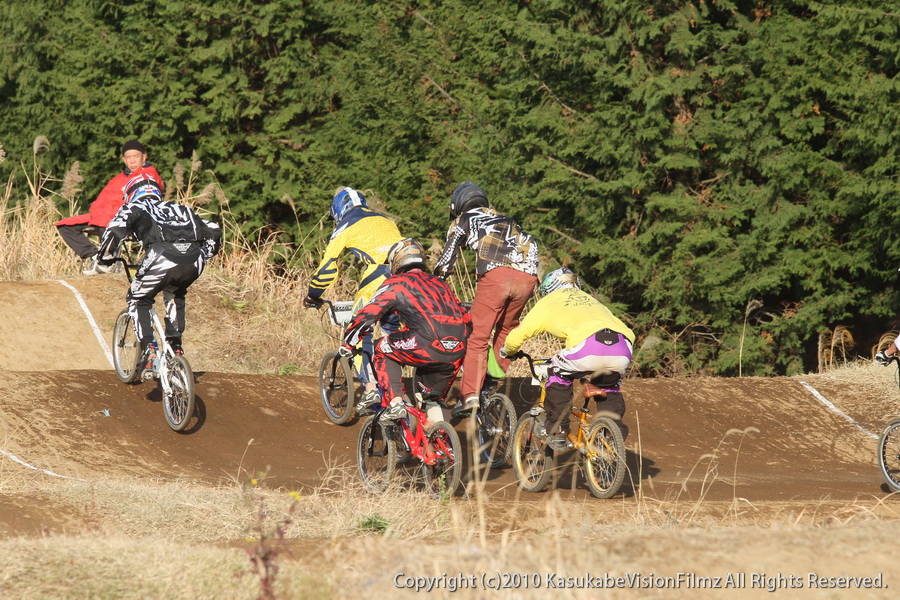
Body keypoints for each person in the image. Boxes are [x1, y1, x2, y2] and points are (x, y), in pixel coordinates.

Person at [96, 174, 221, 375]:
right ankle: (175, 347)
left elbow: (115, 230)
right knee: (176, 292)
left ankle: (149, 349)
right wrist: (205, 254)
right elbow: (214, 229)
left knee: (139, 298)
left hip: (162, 255)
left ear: (130, 193)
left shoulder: (133, 207)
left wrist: (104, 258)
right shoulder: (181, 208)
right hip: (193, 259)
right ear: (158, 192)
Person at [433, 181, 539, 416]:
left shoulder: (463, 219)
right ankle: (492, 379)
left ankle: (470, 395)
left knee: (478, 335)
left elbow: (448, 257)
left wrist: (436, 280)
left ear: (459, 204)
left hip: (496, 276)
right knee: (507, 328)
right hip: (528, 276)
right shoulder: (507, 218)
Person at [500, 267, 634, 449]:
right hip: (621, 347)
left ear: (548, 288)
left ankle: (558, 430)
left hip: (588, 346)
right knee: (608, 387)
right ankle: (612, 433)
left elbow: (519, 334)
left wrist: (508, 350)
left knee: (556, 374)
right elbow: (628, 333)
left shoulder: (548, 302)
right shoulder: (591, 300)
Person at [342, 238, 472, 424]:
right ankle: (441, 447)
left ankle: (395, 402)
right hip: (458, 348)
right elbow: (465, 316)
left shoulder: (396, 282)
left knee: (381, 348)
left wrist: (349, 341)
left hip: (425, 343)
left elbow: (368, 314)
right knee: (430, 400)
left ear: (397, 261)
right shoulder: (440, 283)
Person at [304, 186, 404, 412]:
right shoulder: (387, 221)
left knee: (359, 329)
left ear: (338, 210)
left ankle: (370, 389)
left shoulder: (344, 226)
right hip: (407, 278)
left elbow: (328, 269)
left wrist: (312, 295)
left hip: (379, 277)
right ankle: (397, 391)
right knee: (393, 333)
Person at [55, 139, 162, 275]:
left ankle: (108, 262)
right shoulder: (119, 177)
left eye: (136, 156)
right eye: (129, 157)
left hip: (128, 220)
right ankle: (95, 257)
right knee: (65, 226)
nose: (132, 161)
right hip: (101, 217)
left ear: (144, 157)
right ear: (124, 160)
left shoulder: (148, 175)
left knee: (107, 221)